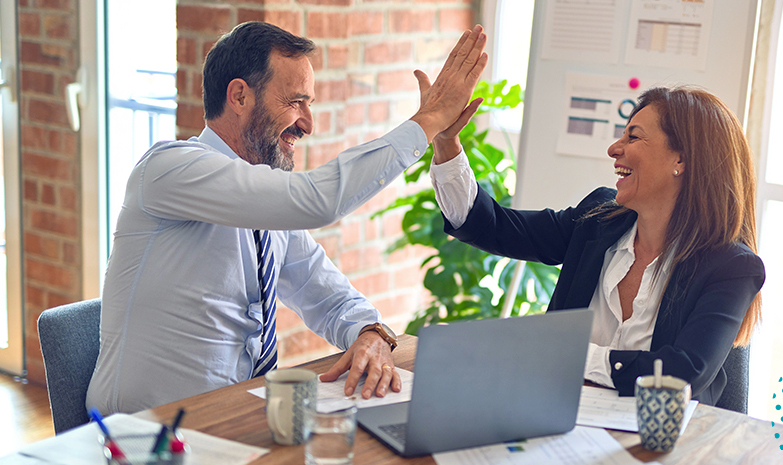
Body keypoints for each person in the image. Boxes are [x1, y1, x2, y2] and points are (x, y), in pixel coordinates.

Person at [86, 21, 488, 415]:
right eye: (296, 101)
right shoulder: (169, 169)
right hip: (145, 437)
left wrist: (370, 332)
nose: (308, 124)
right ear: (239, 97)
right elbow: (318, 200)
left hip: (235, 421)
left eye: (309, 104)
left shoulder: (266, 206)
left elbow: (326, 294)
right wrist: (429, 121)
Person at [429, 86, 764, 406]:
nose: (614, 149)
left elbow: (681, 374)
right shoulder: (598, 220)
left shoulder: (731, 267)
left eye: (633, 136)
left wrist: (566, 354)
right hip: (558, 422)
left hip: (661, 448)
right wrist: (446, 143)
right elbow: (493, 227)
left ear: (682, 160)